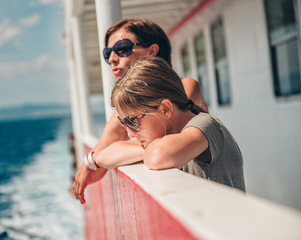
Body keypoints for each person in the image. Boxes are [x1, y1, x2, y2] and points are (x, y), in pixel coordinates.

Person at [72, 18, 208, 204]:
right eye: (108, 53)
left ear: (151, 52)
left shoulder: (186, 88)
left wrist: (104, 155)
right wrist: (94, 160)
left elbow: (164, 147)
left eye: (122, 48)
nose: (112, 58)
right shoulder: (124, 115)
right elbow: (92, 175)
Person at [111, 57, 245, 191]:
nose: (130, 133)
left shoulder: (205, 124)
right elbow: (107, 155)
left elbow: (158, 156)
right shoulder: (173, 138)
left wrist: (142, 149)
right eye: (123, 122)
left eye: (132, 121)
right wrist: (91, 160)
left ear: (165, 109)